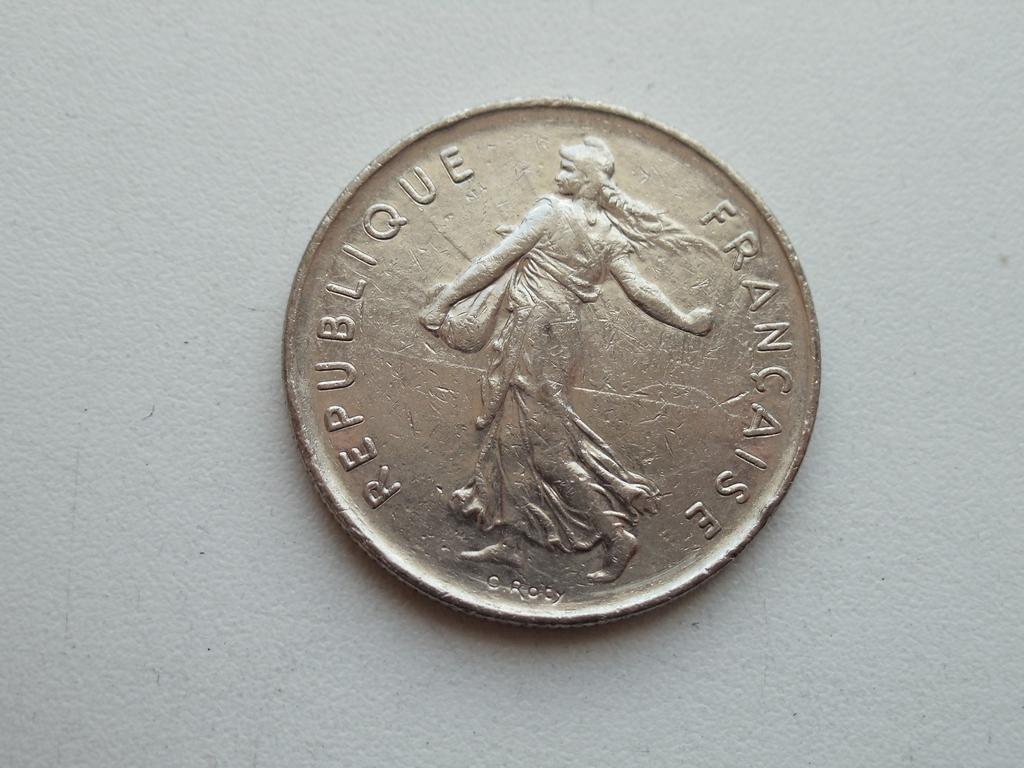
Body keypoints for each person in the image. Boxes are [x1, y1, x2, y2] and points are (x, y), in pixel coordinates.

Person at [420, 136, 715, 583]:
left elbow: (495, 260)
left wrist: (444, 301)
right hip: (562, 334)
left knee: (545, 450)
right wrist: (686, 320)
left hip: (534, 332)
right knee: (513, 441)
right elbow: (640, 290)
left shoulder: (549, 213)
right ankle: (514, 541)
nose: (559, 175)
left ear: (590, 180)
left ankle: (615, 533)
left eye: (569, 169)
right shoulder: (608, 234)